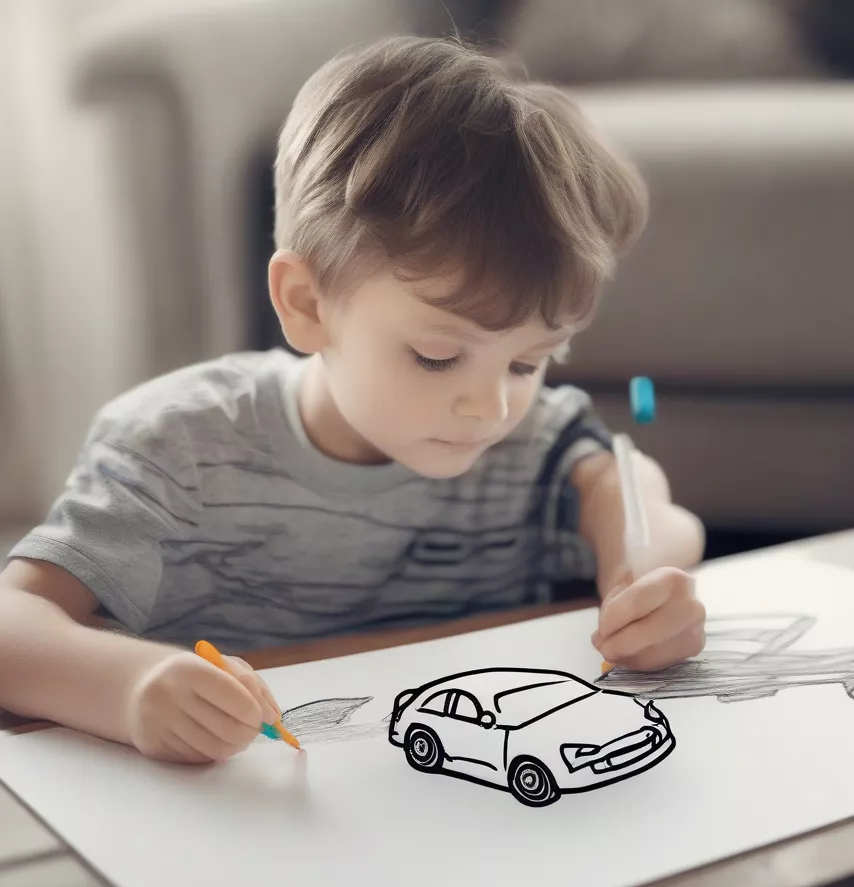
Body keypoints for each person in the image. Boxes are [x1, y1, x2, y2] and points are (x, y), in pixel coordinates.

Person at [0, 36, 706, 765]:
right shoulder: (176, 448)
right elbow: (11, 621)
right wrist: (127, 686)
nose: (491, 408)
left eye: (528, 362)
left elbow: (625, 487)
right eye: (438, 357)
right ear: (307, 304)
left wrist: (640, 572)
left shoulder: (529, 446)